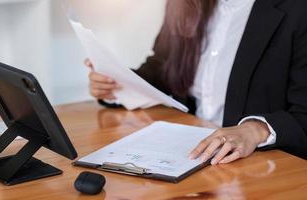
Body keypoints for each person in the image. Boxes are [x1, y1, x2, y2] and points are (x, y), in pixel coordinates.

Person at [84, 0, 307, 165]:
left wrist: (256, 129)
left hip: (259, 166)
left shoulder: (299, 9)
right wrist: (117, 84)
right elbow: (161, 67)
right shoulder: (184, 4)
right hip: (190, 154)